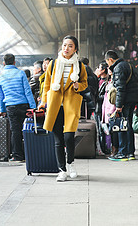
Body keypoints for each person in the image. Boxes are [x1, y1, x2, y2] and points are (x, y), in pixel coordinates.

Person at [38, 36, 88, 182]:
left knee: (69, 137)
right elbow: (46, 85)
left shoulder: (79, 65)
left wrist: (79, 86)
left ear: (76, 49)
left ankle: (70, 164)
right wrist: (43, 102)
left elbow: (85, 83)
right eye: (65, 45)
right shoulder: (53, 64)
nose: (66, 48)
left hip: (71, 104)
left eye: (70, 46)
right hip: (55, 105)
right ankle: (62, 170)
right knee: (58, 139)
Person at [0, 54, 36, 162]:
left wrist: (2, 110)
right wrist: (33, 107)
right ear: (14, 62)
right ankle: (30, 153)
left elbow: (0, 95)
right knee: (27, 129)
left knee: (15, 131)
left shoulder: (0, 76)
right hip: (24, 105)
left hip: (10, 106)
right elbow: (27, 91)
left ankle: (17, 155)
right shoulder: (21, 73)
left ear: (4, 63)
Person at [105, 50, 138, 161]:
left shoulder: (118, 68)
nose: (108, 65)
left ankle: (123, 152)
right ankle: (130, 152)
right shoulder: (127, 65)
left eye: (107, 63)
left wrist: (119, 105)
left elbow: (120, 88)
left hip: (125, 101)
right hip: (132, 99)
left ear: (110, 60)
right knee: (128, 125)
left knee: (122, 126)